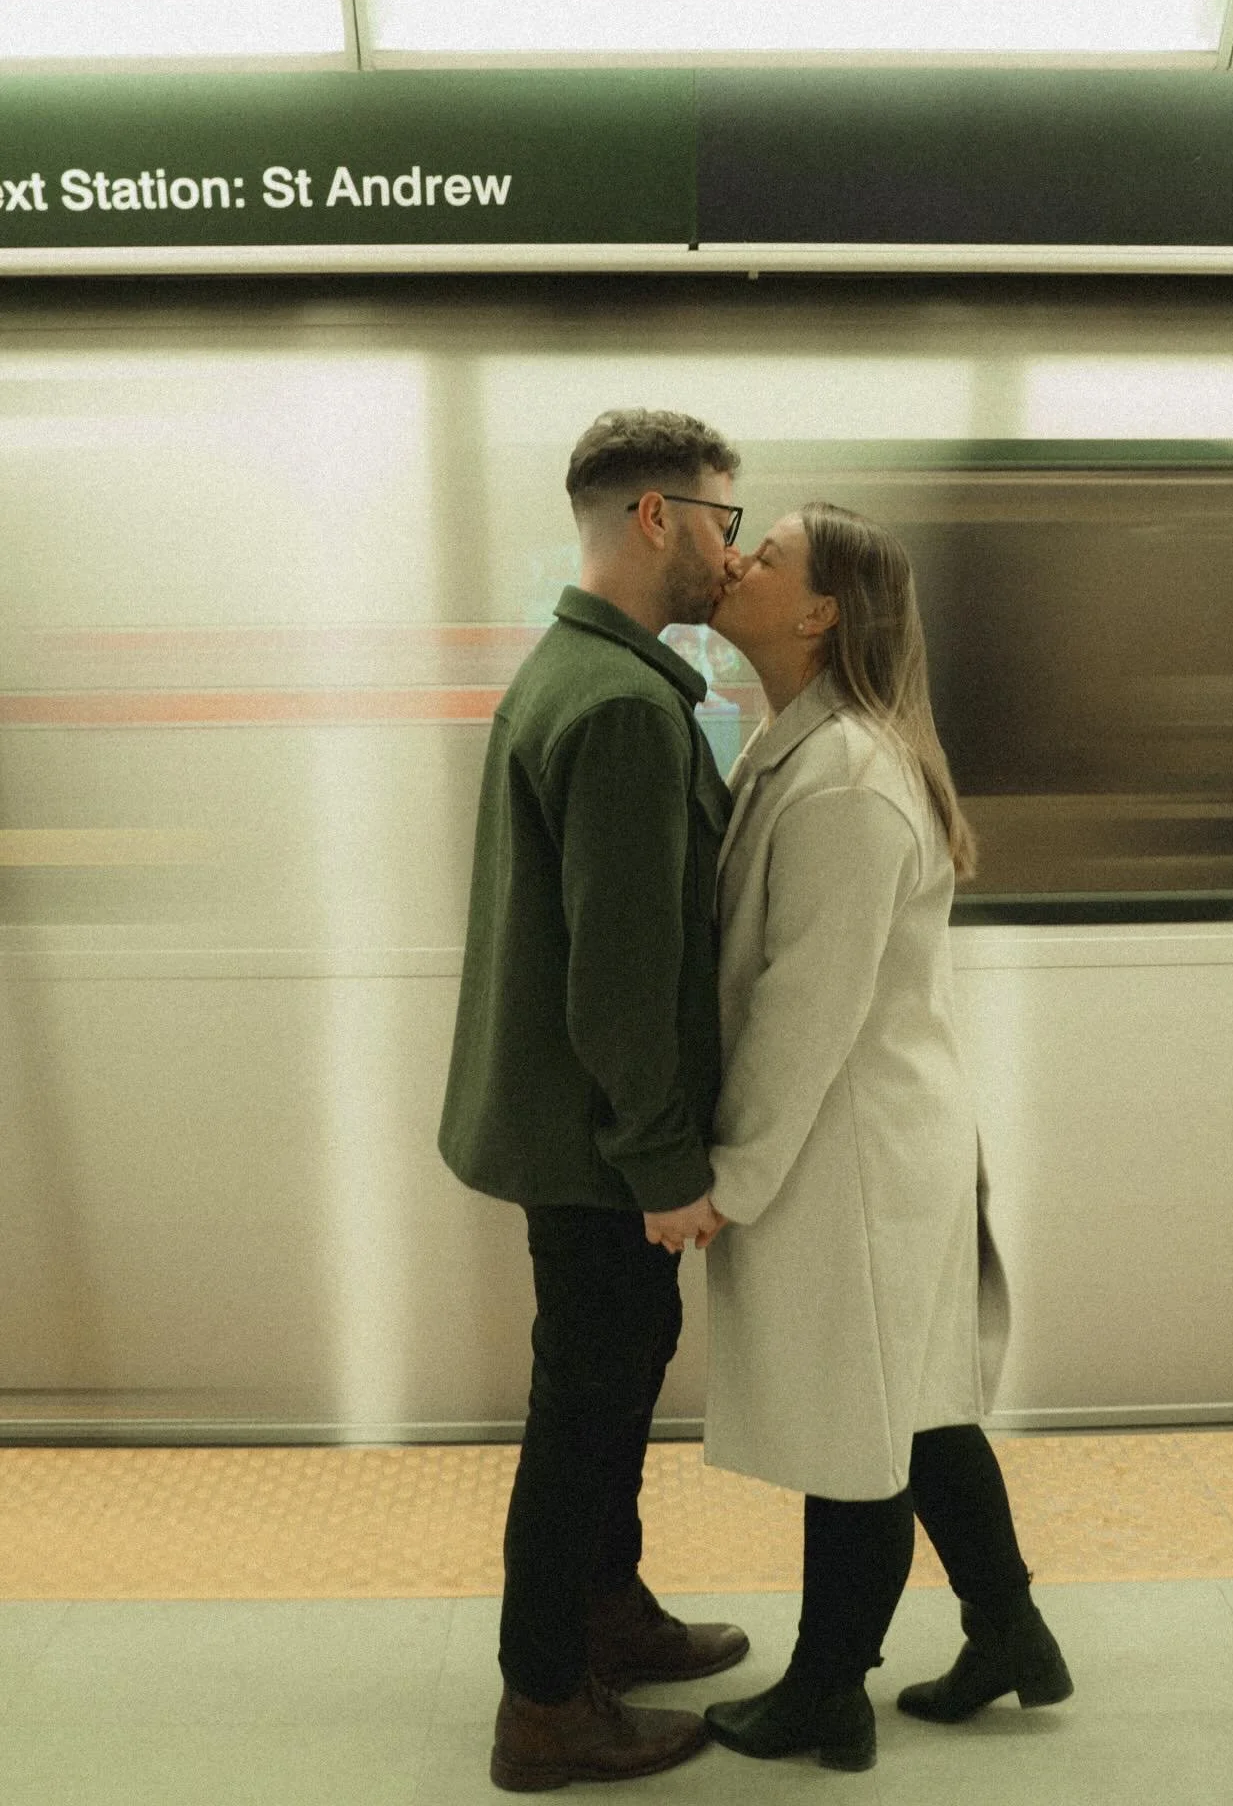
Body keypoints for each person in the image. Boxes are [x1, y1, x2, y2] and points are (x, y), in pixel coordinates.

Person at [649, 501, 1072, 1771]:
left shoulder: (844, 777)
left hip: (850, 1150)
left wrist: (732, 1178)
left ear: (824, 612)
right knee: (919, 1406)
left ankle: (829, 1691)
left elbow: (805, 1005)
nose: (737, 563)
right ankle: (1010, 1632)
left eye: (766, 556)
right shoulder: (807, 741)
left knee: (855, 1424)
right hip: (878, 1137)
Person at [438, 409, 753, 1792]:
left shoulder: (577, 670)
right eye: (724, 523)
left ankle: (605, 1613)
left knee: (611, 1391)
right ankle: (545, 1702)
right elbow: (623, 979)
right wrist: (663, 1162)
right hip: (598, 1142)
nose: (730, 553)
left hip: (568, 1130)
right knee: (586, 1410)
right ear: (656, 517)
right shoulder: (624, 707)